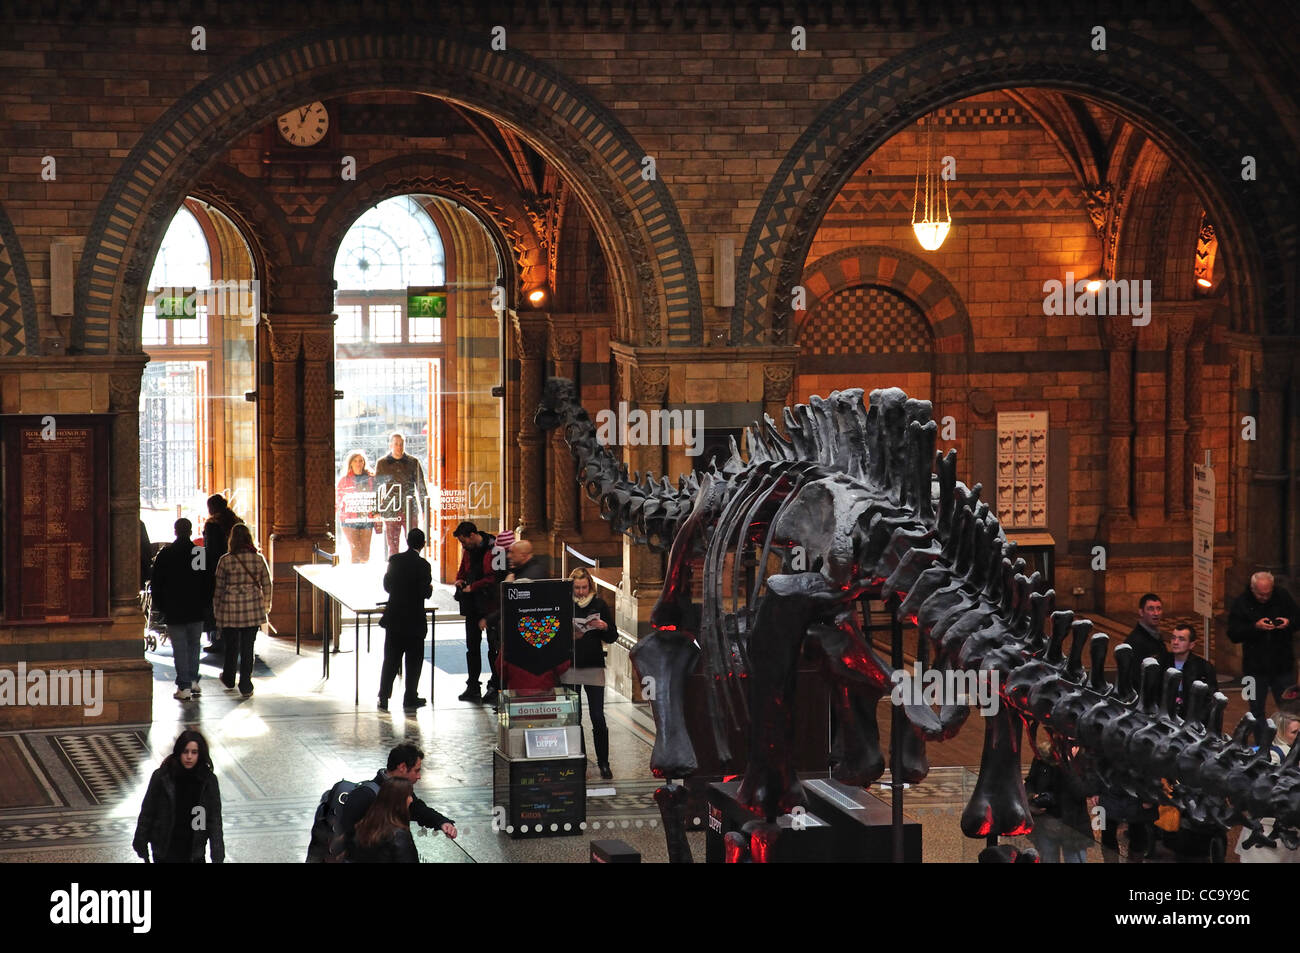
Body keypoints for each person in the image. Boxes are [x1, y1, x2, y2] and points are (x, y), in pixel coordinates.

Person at [1100, 592, 1168, 858]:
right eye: (1151, 608)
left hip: (1149, 718)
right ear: (1141, 612)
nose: (1156, 612)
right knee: (1118, 828)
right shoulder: (1138, 643)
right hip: (1121, 792)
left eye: (1159, 608)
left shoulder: (1156, 640)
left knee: (1137, 831)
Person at [339, 743, 456, 854]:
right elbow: (348, 837)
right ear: (403, 767)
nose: (419, 776)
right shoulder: (364, 795)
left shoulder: (402, 790)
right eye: (416, 770)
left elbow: (419, 810)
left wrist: (442, 822)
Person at [1228, 571, 1299, 743]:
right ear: (1253, 589)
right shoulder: (1241, 603)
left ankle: (1291, 744)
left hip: (1282, 666)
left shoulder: (1282, 597)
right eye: (1261, 594)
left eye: (1268, 593)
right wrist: (1255, 627)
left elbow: (1298, 618)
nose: (1265, 597)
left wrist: (1289, 623)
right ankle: (1262, 746)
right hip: (1254, 668)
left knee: (1290, 709)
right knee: (1255, 709)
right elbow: (1233, 633)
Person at [132, 729, 224, 863]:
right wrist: (141, 840)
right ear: (179, 752)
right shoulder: (162, 777)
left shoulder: (208, 781)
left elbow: (214, 820)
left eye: (194, 752)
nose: (189, 757)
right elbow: (148, 811)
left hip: (194, 851)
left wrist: (217, 853)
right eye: (185, 751)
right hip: (165, 849)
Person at [562, 567, 618, 780]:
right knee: (575, 717)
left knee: (597, 717)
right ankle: (580, 761)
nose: (581, 592)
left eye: (584, 587)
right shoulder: (566, 604)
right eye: (577, 588)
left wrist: (604, 626)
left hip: (594, 666)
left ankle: (604, 763)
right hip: (571, 667)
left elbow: (613, 636)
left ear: (590, 586)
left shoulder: (599, 604)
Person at [149, 518, 208, 701]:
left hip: (174, 608)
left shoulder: (166, 554)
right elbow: (205, 581)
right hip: (195, 607)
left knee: (180, 648)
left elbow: (157, 583)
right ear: (190, 532)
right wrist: (205, 605)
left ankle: (184, 686)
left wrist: (161, 606)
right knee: (194, 646)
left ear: (175, 531)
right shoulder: (199, 553)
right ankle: (192, 680)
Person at [213, 523, 272, 698]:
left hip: (230, 609)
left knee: (231, 646)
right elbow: (267, 584)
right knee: (248, 647)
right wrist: (266, 606)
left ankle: (229, 677)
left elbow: (219, 588)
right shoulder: (258, 558)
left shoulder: (225, 560)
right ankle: (246, 683)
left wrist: (217, 611)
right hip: (252, 609)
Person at [1236, 709, 1300, 863]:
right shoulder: (1273, 756)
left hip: (1288, 830)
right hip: (1268, 830)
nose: (1299, 736)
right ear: (1279, 733)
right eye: (1294, 732)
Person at [378, 528, 432, 711]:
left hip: (394, 619)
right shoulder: (424, 566)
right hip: (414, 620)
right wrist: (430, 587)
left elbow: (387, 585)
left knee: (391, 659)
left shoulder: (395, 560)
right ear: (423, 544)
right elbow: (425, 592)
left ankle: (383, 696)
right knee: (414, 661)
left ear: (407, 541)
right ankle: (410, 696)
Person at [453, 521, 499, 703]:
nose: (463, 546)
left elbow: (493, 578)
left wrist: (473, 587)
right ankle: (473, 685)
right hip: (472, 605)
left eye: (464, 541)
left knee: (493, 648)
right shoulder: (468, 550)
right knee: (472, 647)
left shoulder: (494, 549)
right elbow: (462, 569)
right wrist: (459, 581)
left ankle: (495, 685)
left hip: (490, 605)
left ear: (472, 535)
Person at [374, 432, 429, 559]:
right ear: (390, 445)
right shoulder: (382, 463)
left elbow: (421, 487)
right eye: (396, 444)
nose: (399, 447)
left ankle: (413, 567)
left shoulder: (413, 462)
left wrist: (425, 509)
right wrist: (376, 510)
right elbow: (377, 488)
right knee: (392, 544)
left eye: (401, 444)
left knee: (413, 542)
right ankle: (394, 569)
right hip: (390, 508)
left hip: (409, 507)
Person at [201, 494, 244, 653]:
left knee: (217, 606)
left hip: (218, 568)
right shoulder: (237, 520)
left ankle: (217, 640)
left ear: (212, 507)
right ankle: (237, 639)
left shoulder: (212, 524)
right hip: (238, 568)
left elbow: (210, 550)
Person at [350, 777, 420, 863]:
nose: (411, 799)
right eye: (409, 795)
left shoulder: (364, 826)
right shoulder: (399, 835)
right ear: (399, 800)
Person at [336, 450, 380, 564]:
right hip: (349, 521)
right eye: (355, 461)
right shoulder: (344, 480)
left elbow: (377, 497)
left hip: (366, 519)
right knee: (355, 552)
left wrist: (377, 514)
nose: (358, 463)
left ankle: (364, 575)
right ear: (351, 463)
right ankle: (355, 577)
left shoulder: (371, 478)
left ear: (364, 462)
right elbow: (338, 499)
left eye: (360, 461)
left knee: (365, 554)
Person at [1169, 620, 1217, 718]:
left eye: (1181, 639)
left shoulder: (1203, 667)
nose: (1175, 642)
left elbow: (1211, 699)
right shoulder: (1163, 662)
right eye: (1173, 638)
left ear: (1191, 645)